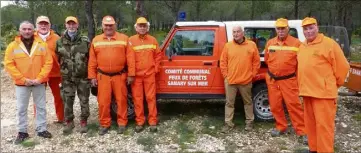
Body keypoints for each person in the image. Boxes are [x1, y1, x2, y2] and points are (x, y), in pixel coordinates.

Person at [298, 17, 350, 153]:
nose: (308, 31)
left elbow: (343, 67)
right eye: (306, 29)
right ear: (303, 31)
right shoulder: (302, 46)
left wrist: (332, 85)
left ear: (317, 27)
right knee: (310, 125)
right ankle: (313, 149)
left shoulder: (329, 44)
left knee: (324, 127)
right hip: (307, 92)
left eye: (311, 28)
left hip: (323, 95)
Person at [3, 21, 53, 144]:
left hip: (39, 82)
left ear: (33, 30)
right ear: (20, 30)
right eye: (24, 29)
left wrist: (40, 78)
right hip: (22, 84)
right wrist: (23, 79)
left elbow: (48, 62)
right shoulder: (12, 46)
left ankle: (41, 129)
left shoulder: (41, 44)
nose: (27, 31)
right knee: (21, 109)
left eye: (29, 29)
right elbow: (9, 65)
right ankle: (22, 132)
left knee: (41, 107)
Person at [88, 15, 135, 135]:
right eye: (106, 25)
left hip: (120, 76)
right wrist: (92, 76)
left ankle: (122, 123)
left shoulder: (124, 38)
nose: (108, 27)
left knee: (121, 100)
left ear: (115, 25)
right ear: (102, 26)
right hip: (102, 76)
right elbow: (92, 60)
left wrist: (131, 74)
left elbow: (130, 58)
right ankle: (104, 124)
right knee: (103, 102)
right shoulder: (96, 40)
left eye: (111, 25)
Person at [264, 18, 307, 143]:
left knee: (294, 106)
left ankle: (303, 131)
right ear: (276, 29)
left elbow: (301, 64)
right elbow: (267, 60)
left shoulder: (297, 43)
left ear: (288, 29)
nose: (281, 31)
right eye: (279, 28)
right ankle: (281, 126)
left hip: (289, 81)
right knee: (275, 106)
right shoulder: (270, 43)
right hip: (273, 80)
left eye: (283, 28)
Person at [220, 25, 260, 132]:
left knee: (248, 102)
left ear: (243, 33)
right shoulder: (228, 46)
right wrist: (226, 76)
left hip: (246, 81)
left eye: (238, 32)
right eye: (234, 32)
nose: (236, 34)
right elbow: (223, 62)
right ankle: (228, 124)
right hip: (231, 81)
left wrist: (252, 75)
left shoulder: (251, 45)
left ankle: (249, 123)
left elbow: (256, 62)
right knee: (229, 103)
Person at [55, 16, 91, 134]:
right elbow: (57, 58)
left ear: (77, 25)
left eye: (73, 24)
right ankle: (69, 122)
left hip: (83, 77)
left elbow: (91, 58)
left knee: (84, 100)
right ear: (65, 25)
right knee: (67, 100)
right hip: (67, 78)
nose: (71, 26)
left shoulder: (85, 40)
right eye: (69, 24)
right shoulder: (59, 41)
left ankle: (84, 121)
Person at [127, 17, 162, 133]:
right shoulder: (131, 40)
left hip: (149, 75)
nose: (142, 28)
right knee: (137, 99)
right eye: (140, 26)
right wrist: (131, 74)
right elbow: (130, 59)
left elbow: (158, 56)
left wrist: (156, 69)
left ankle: (152, 122)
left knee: (151, 98)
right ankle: (140, 122)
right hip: (136, 76)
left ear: (147, 27)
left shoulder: (153, 40)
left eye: (144, 26)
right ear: (136, 27)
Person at [34, 16, 64, 123]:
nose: (43, 26)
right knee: (38, 98)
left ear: (49, 25)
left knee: (59, 97)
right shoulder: (31, 38)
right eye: (40, 24)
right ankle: (40, 121)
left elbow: (63, 55)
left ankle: (62, 118)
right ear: (36, 26)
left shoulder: (57, 38)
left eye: (45, 24)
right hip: (39, 74)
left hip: (56, 73)